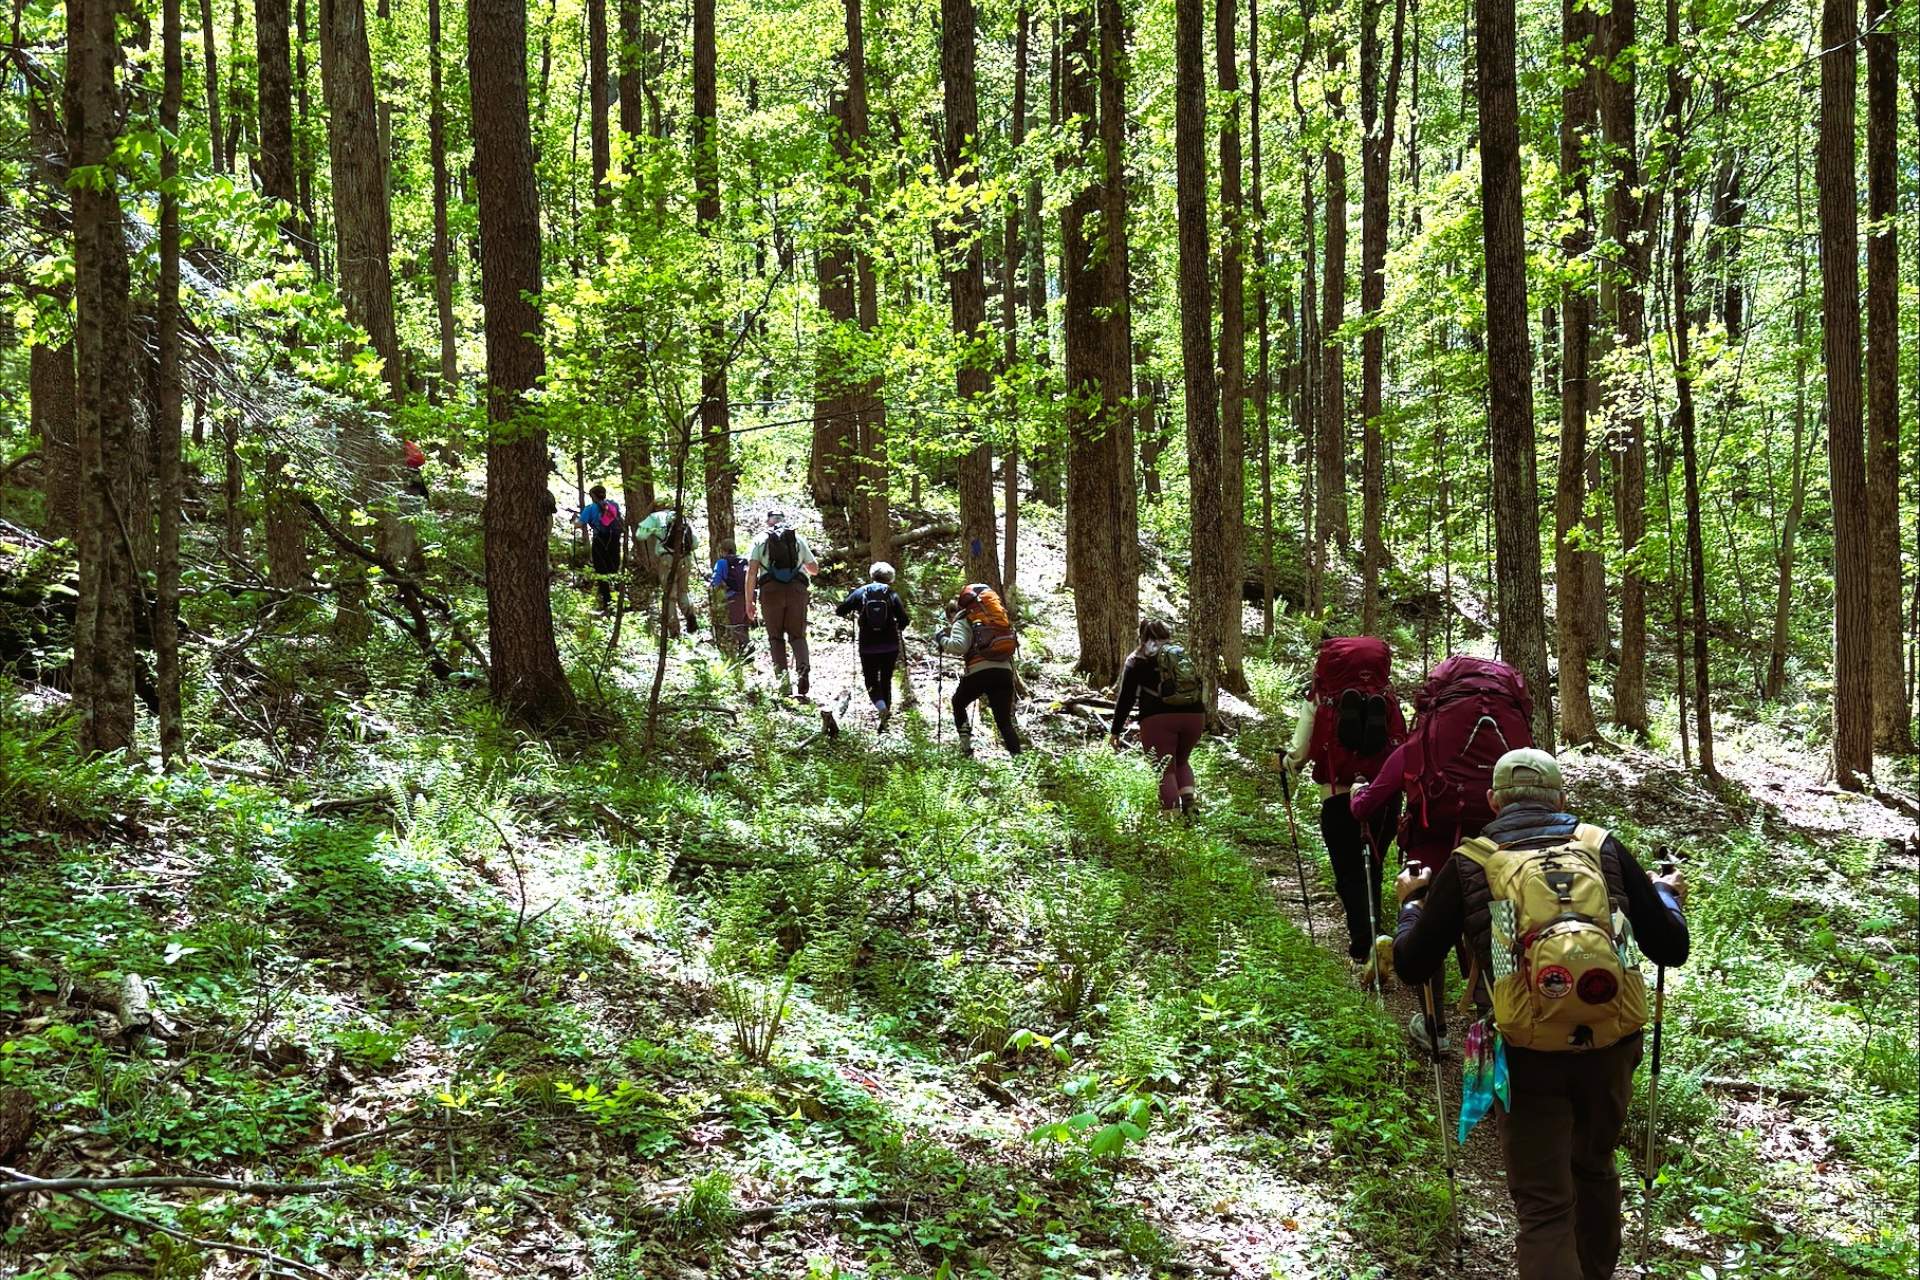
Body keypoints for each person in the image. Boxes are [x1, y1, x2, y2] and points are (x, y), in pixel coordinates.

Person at [1392, 748, 1688, 1280]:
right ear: (1562, 797)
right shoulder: (1602, 847)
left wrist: (1411, 904)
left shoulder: (1472, 861)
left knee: (1545, 1205)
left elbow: (1414, 966)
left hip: (1526, 1050)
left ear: (1492, 801)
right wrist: (1667, 897)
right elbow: (1670, 949)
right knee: (1595, 1168)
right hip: (1611, 1042)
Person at [1351, 654, 1534, 1051]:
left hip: (1429, 861)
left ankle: (1435, 1028)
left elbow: (1367, 805)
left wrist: (1355, 797)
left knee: (1425, 933)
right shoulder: (1520, 758)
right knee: (1497, 937)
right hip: (1497, 859)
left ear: (1432, 705)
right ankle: (1498, 1026)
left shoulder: (1418, 748)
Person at [1282, 636, 1406, 972]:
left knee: (1347, 871)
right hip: (1383, 794)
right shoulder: (1386, 694)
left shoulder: (1321, 697)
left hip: (1338, 793)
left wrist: (1288, 764)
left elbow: (1303, 748)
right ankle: (1376, 935)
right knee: (1374, 866)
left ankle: (1364, 943)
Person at [1108, 619, 1208, 814]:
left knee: (1164, 768)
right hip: (1195, 716)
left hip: (1158, 720)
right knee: (1181, 761)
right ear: (1167, 635)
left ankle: (1172, 823)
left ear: (1142, 637)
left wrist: (1115, 730)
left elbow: (1126, 698)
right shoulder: (1181, 656)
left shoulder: (1137, 659)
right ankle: (1189, 805)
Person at [939, 583, 1021, 758]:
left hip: (979, 672)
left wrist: (941, 639)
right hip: (1004, 672)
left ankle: (966, 749)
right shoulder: (995, 619)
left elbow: (959, 646)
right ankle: (1018, 758)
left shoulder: (962, 619)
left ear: (953, 613)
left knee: (958, 703)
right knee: (1004, 721)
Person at [744, 510, 820, 696]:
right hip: (796, 591)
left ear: (768, 522)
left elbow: (752, 572)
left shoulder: (760, 540)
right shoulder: (797, 539)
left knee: (775, 638)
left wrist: (749, 602)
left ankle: (784, 685)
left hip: (771, 593)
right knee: (797, 635)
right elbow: (814, 569)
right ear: (784, 521)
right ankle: (802, 669)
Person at [836, 562, 911, 730]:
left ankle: (881, 707)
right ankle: (884, 724)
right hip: (890, 646)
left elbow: (840, 610)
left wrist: (857, 612)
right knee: (886, 681)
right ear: (890, 578)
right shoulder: (891, 594)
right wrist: (896, 626)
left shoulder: (861, 592)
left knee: (871, 681)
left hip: (868, 646)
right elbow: (904, 620)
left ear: (872, 575)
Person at [632, 502, 701, 636]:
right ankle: (690, 616)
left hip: (667, 560)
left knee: (670, 595)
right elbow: (695, 543)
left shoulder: (655, 517)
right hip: (686, 559)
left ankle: (674, 631)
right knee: (683, 592)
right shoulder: (682, 518)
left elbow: (640, 535)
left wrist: (653, 532)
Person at [572, 484, 625, 613]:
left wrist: (574, 520)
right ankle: (620, 597)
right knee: (614, 567)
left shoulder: (590, 508)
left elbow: (579, 525)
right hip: (614, 540)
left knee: (601, 570)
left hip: (599, 541)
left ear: (593, 496)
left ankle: (607, 601)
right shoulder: (614, 505)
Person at [709, 539, 753, 657]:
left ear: (723, 551)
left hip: (733, 597)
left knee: (735, 627)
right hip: (748, 596)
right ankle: (747, 656)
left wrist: (710, 582)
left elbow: (716, 581)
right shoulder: (744, 561)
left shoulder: (722, 563)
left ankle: (745, 653)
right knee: (744, 626)